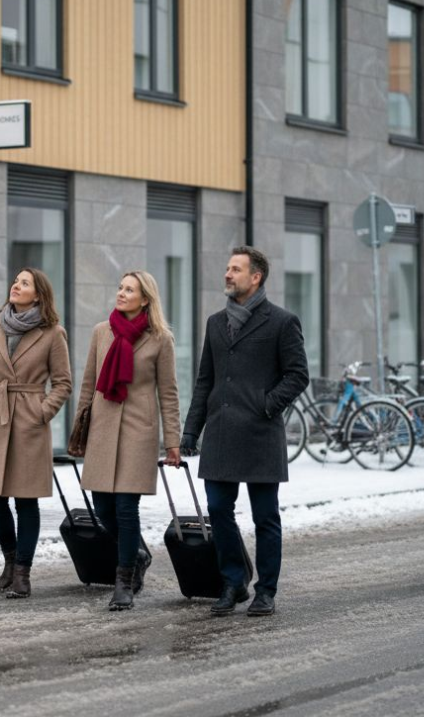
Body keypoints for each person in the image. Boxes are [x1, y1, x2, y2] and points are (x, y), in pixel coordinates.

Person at [180, 246, 309, 617]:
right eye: (227, 268)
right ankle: (233, 582)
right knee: (219, 510)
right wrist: (191, 431)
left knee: (264, 515)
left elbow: (298, 374)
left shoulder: (282, 322)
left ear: (256, 277)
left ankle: (265, 589)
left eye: (235, 269)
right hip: (220, 434)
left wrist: (266, 405)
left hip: (260, 433)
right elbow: (205, 380)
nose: (227, 274)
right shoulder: (216, 323)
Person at [69, 271, 182, 611]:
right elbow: (88, 383)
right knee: (103, 508)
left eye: (129, 289)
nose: (121, 293)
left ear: (145, 298)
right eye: (120, 287)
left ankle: (124, 582)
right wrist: (80, 429)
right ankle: (137, 554)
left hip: (138, 430)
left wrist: (173, 441)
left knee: (125, 507)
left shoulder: (160, 339)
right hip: (103, 428)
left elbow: (169, 392)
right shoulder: (101, 332)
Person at [0, 268, 72, 599]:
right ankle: (10, 559)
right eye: (16, 281)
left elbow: (63, 383)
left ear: (38, 295)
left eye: (24, 283)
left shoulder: (52, 333)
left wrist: (41, 411)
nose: (16, 286)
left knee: (25, 499)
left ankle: (22, 572)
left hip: (28, 421)